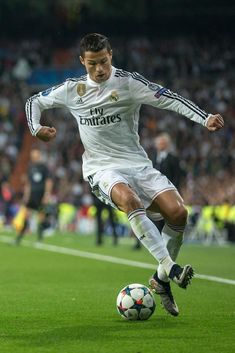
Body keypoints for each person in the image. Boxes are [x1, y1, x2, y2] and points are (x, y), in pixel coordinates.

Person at [25, 33, 224, 316]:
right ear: (83, 61)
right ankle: (170, 267)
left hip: (137, 164)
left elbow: (169, 99)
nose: (99, 69)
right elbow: (34, 102)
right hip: (101, 168)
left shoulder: (129, 83)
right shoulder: (72, 89)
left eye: (104, 62)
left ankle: (161, 279)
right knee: (130, 200)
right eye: (92, 64)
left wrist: (204, 118)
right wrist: (36, 129)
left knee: (178, 214)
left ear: (111, 56)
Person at [15, 148, 53, 244]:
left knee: (41, 217)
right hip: (32, 195)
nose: (34, 158)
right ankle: (19, 238)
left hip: (40, 195)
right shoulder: (30, 167)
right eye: (32, 156)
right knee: (26, 215)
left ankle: (40, 239)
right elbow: (28, 183)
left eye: (35, 156)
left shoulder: (44, 167)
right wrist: (26, 196)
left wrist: (46, 194)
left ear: (39, 156)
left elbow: (48, 181)